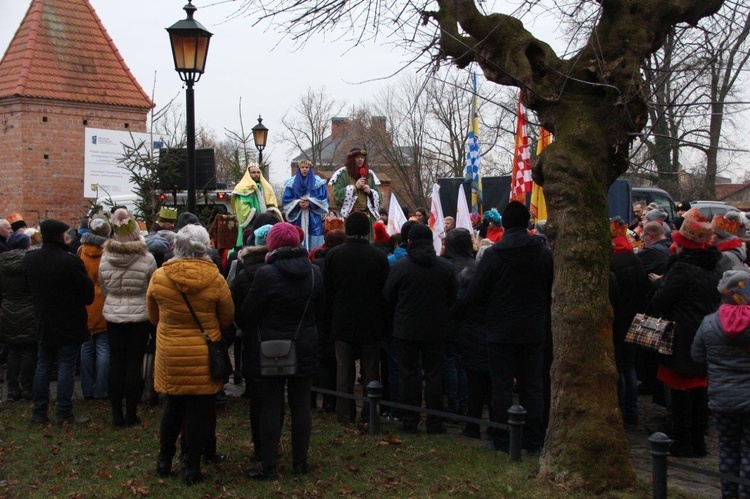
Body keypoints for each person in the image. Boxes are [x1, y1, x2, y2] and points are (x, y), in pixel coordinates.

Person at [456, 201, 552, 454]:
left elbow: (475, 292)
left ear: (505, 224)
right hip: (533, 328)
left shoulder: (494, 255)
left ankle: (501, 438)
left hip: (500, 329)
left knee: (501, 386)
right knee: (533, 386)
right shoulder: (543, 253)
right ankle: (533, 439)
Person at [148, 224, 234, 485]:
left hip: (171, 351)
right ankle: (193, 467)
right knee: (200, 410)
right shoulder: (215, 278)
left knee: (173, 407)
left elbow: (153, 315)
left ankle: (164, 460)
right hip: (204, 354)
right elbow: (227, 317)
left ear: (177, 246)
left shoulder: (160, 276)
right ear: (205, 245)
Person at [240, 223, 323, 480]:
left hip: (271, 347)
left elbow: (247, 315)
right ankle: (300, 461)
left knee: (271, 407)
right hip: (305, 343)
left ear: (272, 245)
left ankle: (269, 464)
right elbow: (318, 310)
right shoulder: (314, 272)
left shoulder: (266, 274)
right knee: (301, 406)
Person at [645, 207, 721, 457]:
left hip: (678, 335)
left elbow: (659, 303)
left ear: (683, 246)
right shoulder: (712, 269)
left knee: (678, 391)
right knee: (699, 389)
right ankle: (698, 441)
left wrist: (658, 284)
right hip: (704, 334)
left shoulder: (680, 270)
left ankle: (683, 440)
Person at [384, 223, 457, 434]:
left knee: (408, 374)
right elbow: (452, 297)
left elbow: (388, 297)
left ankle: (409, 420)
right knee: (434, 375)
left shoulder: (400, 268)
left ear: (409, 242)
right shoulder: (445, 268)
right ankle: (435, 421)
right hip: (436, 329)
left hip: (406, 330)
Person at [24, 219, 94, 426]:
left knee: (43, 365)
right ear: (58, 236)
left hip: (43, 320)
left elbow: (29, 288)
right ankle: (63, 412)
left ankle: (39, 411)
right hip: (68, 321)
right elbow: (87, 294)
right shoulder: (69, 261)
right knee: (65, 366)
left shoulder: (31, 259)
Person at [324, 212, 389, 424]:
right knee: (371, 370)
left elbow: (328, 290)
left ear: (347, 229)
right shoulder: (378, 256)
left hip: (342, 321)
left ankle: (344, 414)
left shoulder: (334, 255)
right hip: (371, 322)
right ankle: (371, 414)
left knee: (344, 371)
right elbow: (384, 290)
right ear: (367, 229)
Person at [692, 270, 750, 498]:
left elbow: (697, 356)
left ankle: (728, 493)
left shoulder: (709, 322)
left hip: (722, 396)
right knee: (748, 450)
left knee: (727, 448)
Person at [99, 209, 156, 427]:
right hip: (139, 315)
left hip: (113, 315)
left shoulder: (106, 258)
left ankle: (116, 414)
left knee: (116, 362)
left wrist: (116, 299)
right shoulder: (147, 258)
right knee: (134, 362)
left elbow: (104, 286)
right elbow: (152, 288)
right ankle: (131, 413)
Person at [609, 217, 650, 426]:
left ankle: (622, 408)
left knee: (619, 367)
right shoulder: (636, 260)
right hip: (634, 319)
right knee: (629, 365)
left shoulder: (612, 262)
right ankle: (632, 410)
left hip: (618, 321)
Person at [78, 215, 111, 402]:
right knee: (103, 348)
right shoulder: (109, 251)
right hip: (104, 301)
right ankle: (101, 390)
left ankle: (86, 390)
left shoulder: (81, 250)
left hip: (86, 301)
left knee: (86, 347)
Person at [0, 232, 37, 401]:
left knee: (13, 350)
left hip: (7, 309)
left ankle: (12, 390)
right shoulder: (30, 262)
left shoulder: (2, 261)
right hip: (29, 309)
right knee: (28, 350)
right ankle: (27, 389)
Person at [283, 160, 329, 252]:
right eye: (302, 167)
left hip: (313, 217)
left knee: (315, 242)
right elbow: (286, 201)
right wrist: (297, 203)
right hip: (297, 217)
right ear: (299, 169)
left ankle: (314, 256)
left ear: (310, 169)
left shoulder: (318, 183)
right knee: (297, 235)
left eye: (307, 167)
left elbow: (323, 200)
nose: (304, 169)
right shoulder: (291, 183)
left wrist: (311, 203)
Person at [231, 163, 279, 247]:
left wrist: (270, 213)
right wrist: (259, 218)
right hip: (250, 225)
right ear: (248, 174)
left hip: (264, 223)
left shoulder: (265, 187)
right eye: (253, 172)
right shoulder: (241, 189)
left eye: (258, 172)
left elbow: (271, 203)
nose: (256, 174)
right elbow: (242, 209)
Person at [329, 148, 382, 223]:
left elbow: (380, 198)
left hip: (367, 218)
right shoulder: (342, 174)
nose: (360, 159)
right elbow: (336, 195)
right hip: (350, 217)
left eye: (362, 157)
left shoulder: (370, 174)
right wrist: (354, 188)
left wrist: (370, 192)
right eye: (357, 157)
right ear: (351, 159)